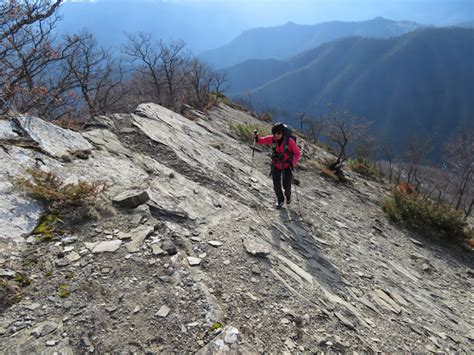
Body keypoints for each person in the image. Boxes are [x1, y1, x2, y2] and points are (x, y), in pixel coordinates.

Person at [254, 122, 301, 209]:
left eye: (279, 133)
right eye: (274, 133)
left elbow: (297, 154)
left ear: (283, 132)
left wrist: (293, 162)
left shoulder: (289, 142)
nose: (276, 135)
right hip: (276, 164)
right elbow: (262, 140)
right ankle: (280, 200)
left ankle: (288, 197)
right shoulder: (273, 139)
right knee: (276, 185)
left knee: (286, 185)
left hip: (287, 165)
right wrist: (257, 138)